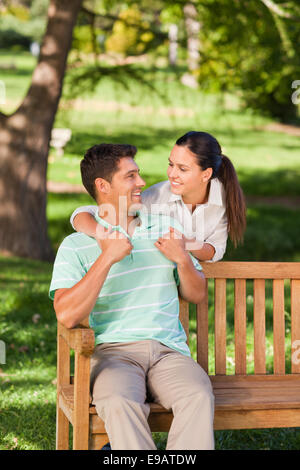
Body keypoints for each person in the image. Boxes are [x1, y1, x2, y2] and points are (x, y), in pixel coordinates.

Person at [49, 143, 215, 450]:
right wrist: (106, 258)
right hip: (114, 354)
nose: (142, 182)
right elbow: (67, 315)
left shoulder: (165, 227)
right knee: (118, 401)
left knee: (198, 395)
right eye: (131, 176)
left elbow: (197, 294)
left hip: (169, 352)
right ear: (102, 185)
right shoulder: (75, 245)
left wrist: (181, 260)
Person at [70, 131, 246, 262]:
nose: (172, 174)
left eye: (182, 169)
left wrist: (185, 244)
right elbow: (89, 212)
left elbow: (216, 249)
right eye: (171, 164)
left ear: (206, 174)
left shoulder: (223, 197)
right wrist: (101, 234)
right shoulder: (157, 196)